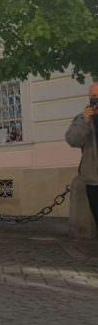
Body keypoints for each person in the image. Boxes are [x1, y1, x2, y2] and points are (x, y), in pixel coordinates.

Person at [66, 82, 98, 227]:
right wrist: (85, 122)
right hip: (94, 178)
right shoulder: (82, 118)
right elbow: (73, 140)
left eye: (97, 95)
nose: (95, 98)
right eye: (93, 96)